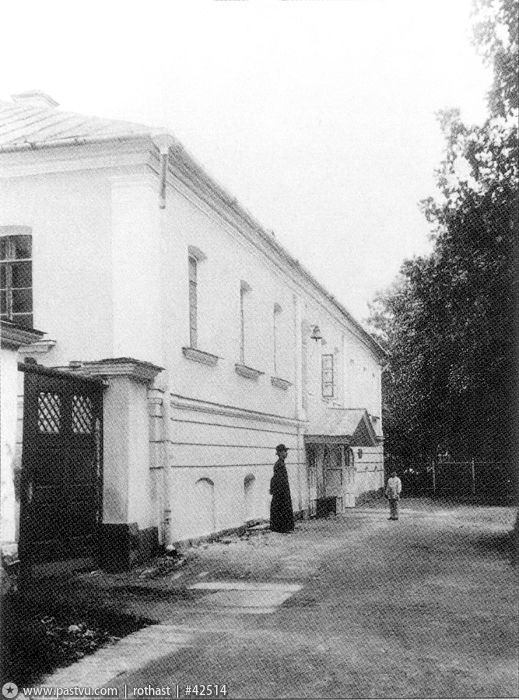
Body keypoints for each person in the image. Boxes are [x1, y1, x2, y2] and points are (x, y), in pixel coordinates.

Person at [269, 444, 295, 533]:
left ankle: (282, 527)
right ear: (280, 453)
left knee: (282, 508)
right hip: (281, 490)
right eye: (285, 451)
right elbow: (277, 479)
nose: (286, 453)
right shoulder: (279, 464)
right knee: (281, 508)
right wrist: (280, 490)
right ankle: (281, 527)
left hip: (282, 490)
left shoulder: (281, 463)